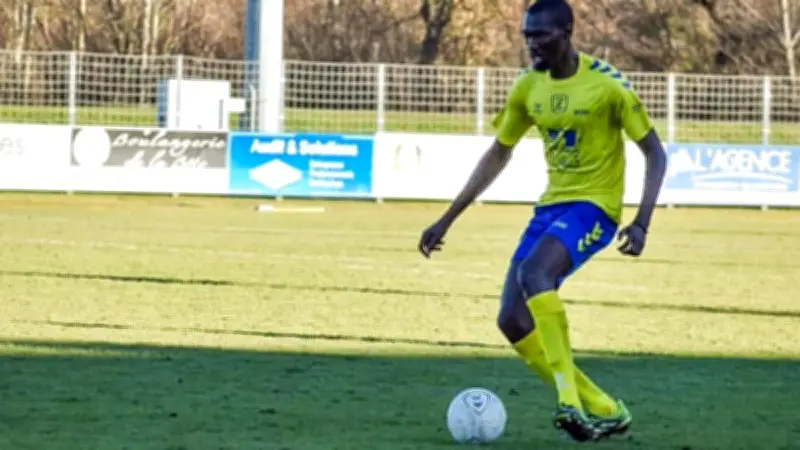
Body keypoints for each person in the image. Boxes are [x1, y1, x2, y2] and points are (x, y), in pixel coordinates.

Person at [417, 0, 667, 443]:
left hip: (595, 208)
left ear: (567, 32)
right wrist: (447, 218)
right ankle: (607, 409)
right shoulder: (527, 87)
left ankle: (569, 402)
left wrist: (641, 222)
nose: (532, 43)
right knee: (512, 321)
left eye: (541, 35)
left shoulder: (608, 87)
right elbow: (498, 152)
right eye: (527, 35)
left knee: (535, 274)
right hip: (551, 208)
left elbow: (654, 153)